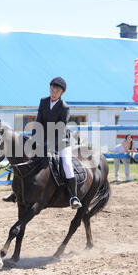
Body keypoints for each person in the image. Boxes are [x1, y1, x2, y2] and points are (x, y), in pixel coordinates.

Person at [32, 77, 81, 209]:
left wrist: (50, 145)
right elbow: (39, 122)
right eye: (52, 89)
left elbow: (60, 128)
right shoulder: (43, 101)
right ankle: (19, 191)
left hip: (61, 140)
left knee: (66, 164)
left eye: (57, 90)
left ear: (62, 93)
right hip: (44, 139)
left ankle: (73, 196)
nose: (53, 92)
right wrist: (34, 138)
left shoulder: (64, 107)